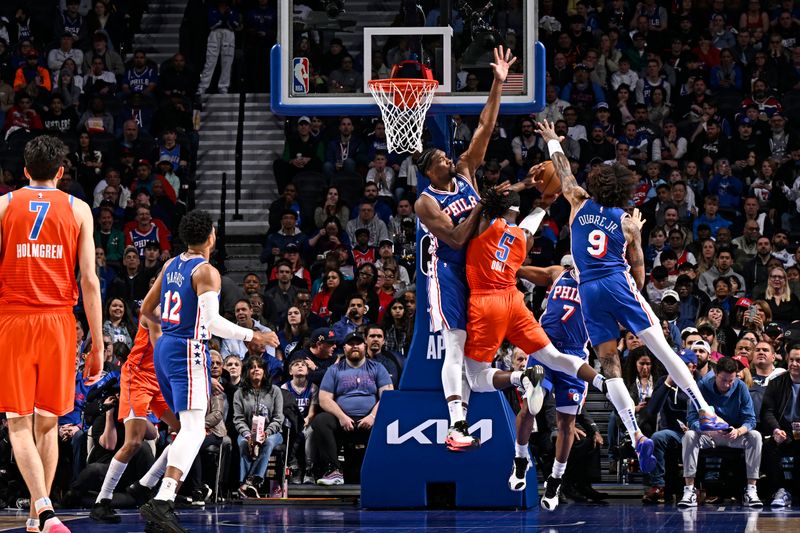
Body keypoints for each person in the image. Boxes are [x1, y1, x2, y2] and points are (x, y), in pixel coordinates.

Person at [534, 118, 730, 476]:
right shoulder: (626, 222)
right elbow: (639, 278)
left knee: (609, 367)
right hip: (616, 283)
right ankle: (704, 408)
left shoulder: (577, 201)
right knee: (662, 349)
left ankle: (635, 432)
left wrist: (552, 140)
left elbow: (563, 172)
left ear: (594, 186)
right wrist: (636, 238)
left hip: (588, 290)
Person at [463, 189, 628, 491]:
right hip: (543, 346)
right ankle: (519, 460)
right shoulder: (557, 273)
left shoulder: (601, 287)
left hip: (576, 352)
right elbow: (517, 269)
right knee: (530, 410)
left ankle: (555, 478)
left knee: (567, 425)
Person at [137, 210, 278, 532]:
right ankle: (162, 499)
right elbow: (212, 323)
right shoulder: (206, 272)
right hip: (187, 347)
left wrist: (165, 336)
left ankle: (147, 488)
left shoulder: (171, 264)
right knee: (193, 428)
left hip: (167, 346)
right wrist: (253, 335)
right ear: (212, 236)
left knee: (186, 427)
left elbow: (146, 310)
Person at [414, 45, 517, 450]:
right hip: (449, 272)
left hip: (482, 267)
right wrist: (483, 208)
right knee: (454, 343)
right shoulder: (426, 201)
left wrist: (497, 83)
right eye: (439, 157)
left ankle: (511, 382)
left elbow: (485, 128)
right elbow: (455, 238)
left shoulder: (465, 171)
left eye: (445, 154)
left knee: (478, 351)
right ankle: (456, 423)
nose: (447, 157)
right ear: (428, 171)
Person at [0, 136, 103, 533]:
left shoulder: (6, 205)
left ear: (24, 171)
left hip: (14, 318)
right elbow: (90, 281)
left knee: (18, 423)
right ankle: (35, 517)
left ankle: (42, 507)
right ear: (61, 172)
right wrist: (96, 342)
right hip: (60, 322)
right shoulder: (79, 209)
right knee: (46, 423)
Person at [89, 314, 180, 524]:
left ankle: (143, 486)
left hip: (158, 378)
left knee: (185, 431)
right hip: (137, 377)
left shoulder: (180, 309)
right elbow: (161, 348)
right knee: (133, 442)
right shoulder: (155, 309)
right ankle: (101, 502)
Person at [678, 357, 763, 508]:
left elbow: (750, 420)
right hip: (708, 435)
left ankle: (751, 490)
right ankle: (689, 490)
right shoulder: (702, 386)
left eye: (731, 380)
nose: (728, 384)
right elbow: (692, 419)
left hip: (732, 434)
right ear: (716, 373)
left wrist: (738, 431)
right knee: (689, 436)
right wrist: (709, 429)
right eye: (724, 380)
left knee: (755, 436)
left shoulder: (741, 387)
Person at [311, 331, 393, 485]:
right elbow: (324, 399)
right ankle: (334, 471)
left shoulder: (378, 368)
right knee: (321, 421)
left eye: (358, 343)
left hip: (371, 421)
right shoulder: (334, 370)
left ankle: (383, 473)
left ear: (365, 346)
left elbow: (388, 397)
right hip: (343, 422)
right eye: (350, 344)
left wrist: (373, 417)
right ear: (344, 348)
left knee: (390, 420)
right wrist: (342, 417)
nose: (355, 346)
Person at [233, 355, 284, 499]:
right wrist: (248, 435)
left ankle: (250, 481)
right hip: (247, 432)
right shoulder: (239, 393)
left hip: (272, 433)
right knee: (243, 444)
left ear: (265, 371)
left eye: (259, 367)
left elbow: (279, 417)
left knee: (267, 443)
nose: (256, 370)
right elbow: (238, 419)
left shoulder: (275, 391)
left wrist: (266, 433)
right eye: (252, 367)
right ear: (247, 372)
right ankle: (248, 485)